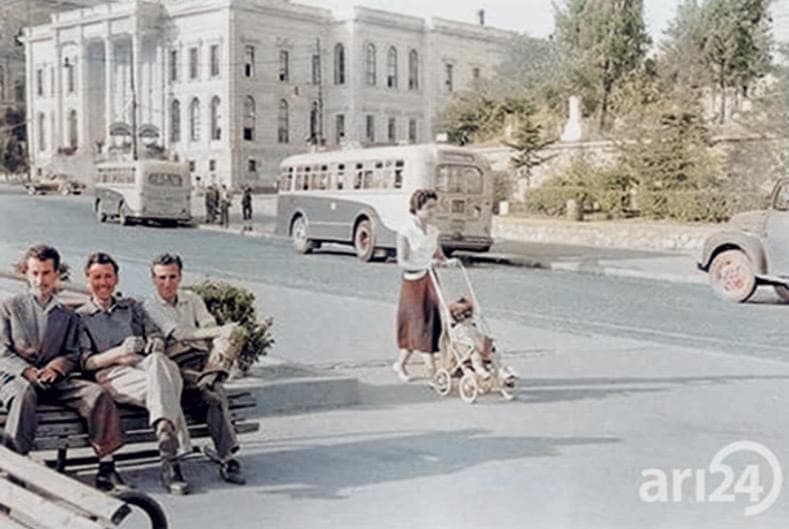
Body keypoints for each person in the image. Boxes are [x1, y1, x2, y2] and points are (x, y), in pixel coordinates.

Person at [0, 245, 126, 490]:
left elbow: (73, 353)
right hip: (16, 378)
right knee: (23, 393)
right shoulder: (9, 307)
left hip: (52, 380)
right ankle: (16, 467)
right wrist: (28, 371)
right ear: (26, 274)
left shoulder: (67, 315)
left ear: (57, 274)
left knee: (96, 394)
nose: (41, 280)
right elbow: (2, 351)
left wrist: (55, 370)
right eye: (35, 273)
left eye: (47, 273)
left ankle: (107, 466)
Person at [77, 252, 191, 495]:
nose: (103, 282)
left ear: (116, 279)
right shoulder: (81, 318)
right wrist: (119, 352)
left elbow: (155, 334)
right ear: (88, 280)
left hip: (145, 365)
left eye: (108, 276)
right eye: (97, 277)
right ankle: (170, 459)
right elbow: (86, 363)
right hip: (113, 374)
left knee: (160, 362)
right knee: (165, 384)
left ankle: (164, 429)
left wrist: (156, 342)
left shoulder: (132, 307)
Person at [143, 253, 246, 485]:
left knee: (232, 336)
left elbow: (208, 324)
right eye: (161, 278)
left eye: (172, 277)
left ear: (180, 277)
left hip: (205, 360)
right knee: (214, 394)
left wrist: (221, 335)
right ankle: (228, 457)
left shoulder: (192, 298)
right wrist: (217, 332)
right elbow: (180, 334)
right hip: (178, 366)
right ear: (153, 279)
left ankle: (211, 376)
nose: (167, 283)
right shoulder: (150, 306)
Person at [393, 189, 457, 383]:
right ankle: (431, 370)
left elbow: (439, 255)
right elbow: (402, 261)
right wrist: (425, 264)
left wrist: (447, 262)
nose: (432, 211)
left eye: (434, 207)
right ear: (417, 207)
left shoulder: (433, 231)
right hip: (413, 282)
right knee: (416, 322)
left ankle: (402, 364)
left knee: (429, 322)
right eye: (429, 207)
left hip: (431, 279)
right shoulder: (405, 231)